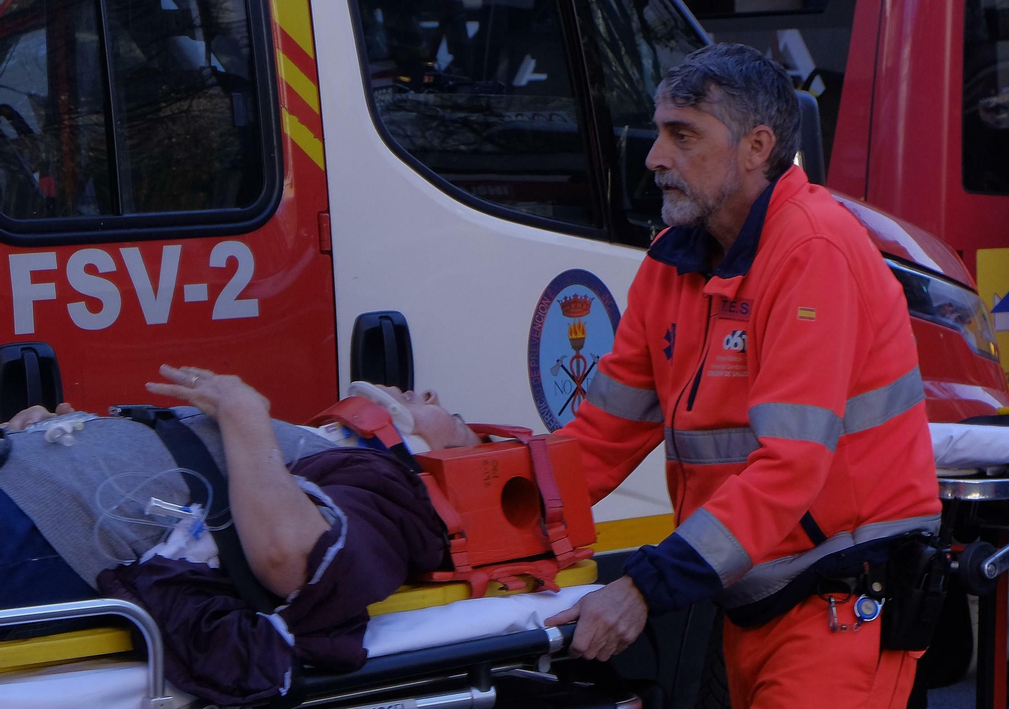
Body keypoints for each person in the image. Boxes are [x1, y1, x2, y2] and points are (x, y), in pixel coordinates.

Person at [546, 43, 941, 709]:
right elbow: (596, 444)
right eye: (659, 131)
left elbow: (789, 467)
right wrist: (467, 522)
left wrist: (643, 587)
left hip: (841, 608)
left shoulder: (812, 249)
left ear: (758, 147)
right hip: (761, 601)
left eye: (683, 135)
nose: (654, 156)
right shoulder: (673, 262)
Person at [0, 369, 476, 704]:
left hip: (38, 526)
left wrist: (244, 412)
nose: (429, 392)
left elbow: (293, 559)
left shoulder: (395, 490)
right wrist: (53, 435)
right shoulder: (313, 448)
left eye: (454, 419)